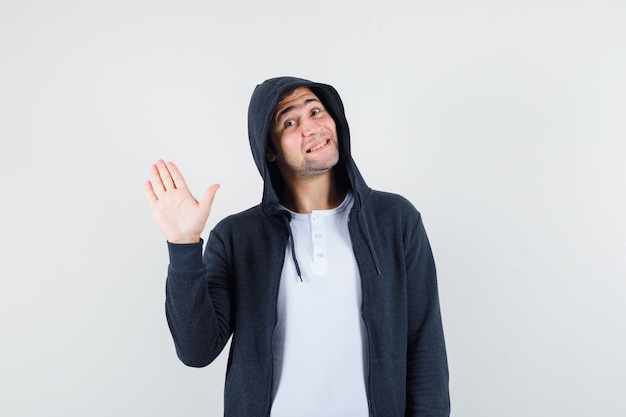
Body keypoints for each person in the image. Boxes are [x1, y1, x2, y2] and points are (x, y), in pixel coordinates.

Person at [144, 76, 450, 416]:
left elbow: (426, 350)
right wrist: (184, 245)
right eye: (290, 121)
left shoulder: (395, 220)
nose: (312, 127)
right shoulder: (237, 237)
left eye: (317, 111)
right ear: (270, 150)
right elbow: (196, 350)